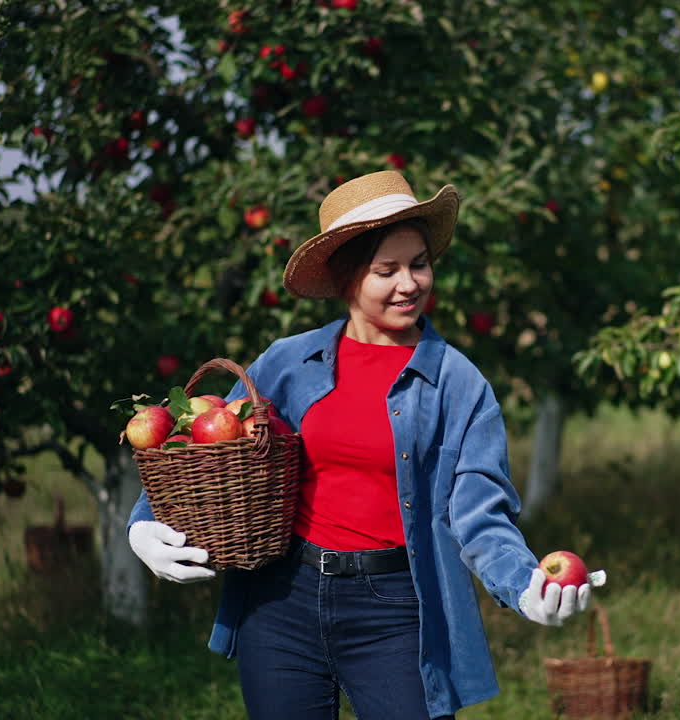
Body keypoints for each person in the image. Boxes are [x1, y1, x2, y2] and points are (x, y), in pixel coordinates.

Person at [126, 170, 604, 719]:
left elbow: (479, 512)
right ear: (349, 277)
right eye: (387, 269)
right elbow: (198, 448)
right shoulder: (286, 363)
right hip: (282, 601)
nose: (409, 283)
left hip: (396, 609)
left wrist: (523, 585)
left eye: (419, 264)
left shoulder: (458, 383)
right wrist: (145, 522)